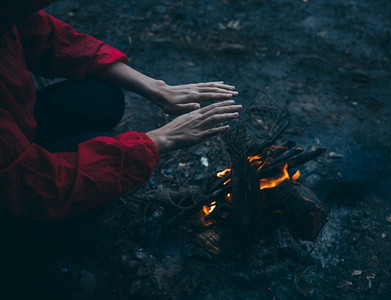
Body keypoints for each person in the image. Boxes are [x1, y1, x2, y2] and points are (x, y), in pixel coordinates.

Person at [0, 0, 242, 298]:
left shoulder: (7, 15)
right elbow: (33, 186)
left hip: (15, 138)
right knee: (102, 174)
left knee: (100, 98)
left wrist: (155, 87)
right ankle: (21, 273)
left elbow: (44, 36)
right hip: (15, 186)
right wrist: (159, 140)